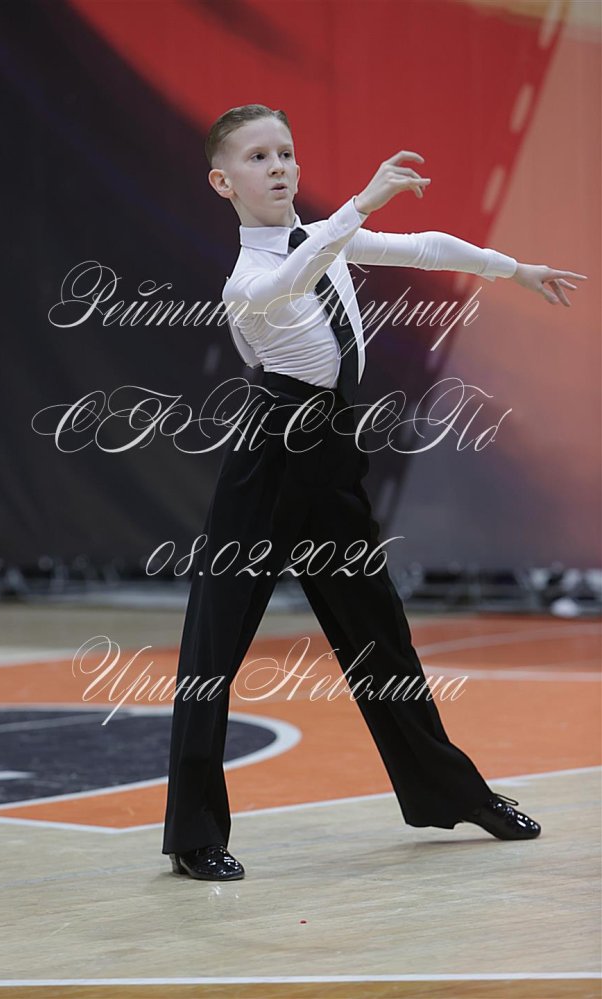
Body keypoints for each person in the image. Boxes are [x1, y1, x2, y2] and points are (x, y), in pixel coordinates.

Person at [162, 104, 587, 881]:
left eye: (285, 152)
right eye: (257, 157)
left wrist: (513, 269)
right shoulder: (248, 278)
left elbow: (424, 245)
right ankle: (193, 834)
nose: (278, 167)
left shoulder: (325, 238)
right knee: (213, 648)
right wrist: (360, 203)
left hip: (330, 454)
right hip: (267, 458)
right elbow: (296, 275)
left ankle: (447, 792)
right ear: (223, 183)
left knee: (381, 638)